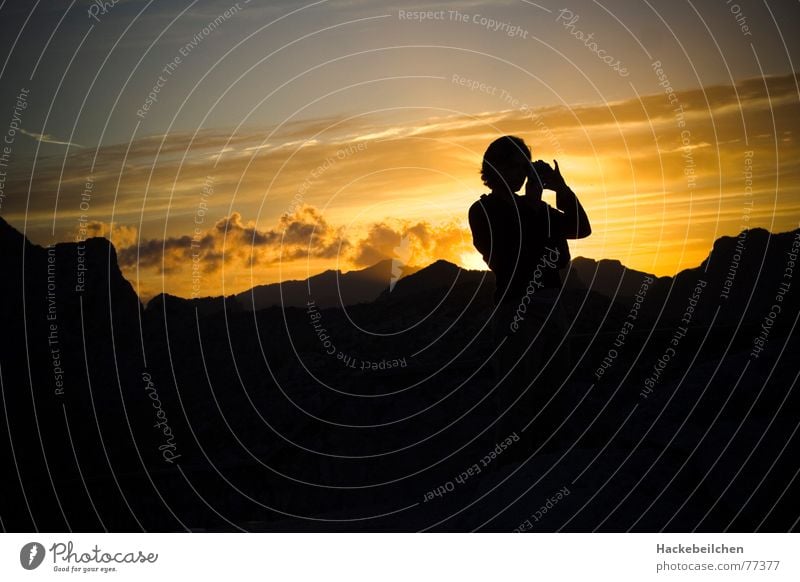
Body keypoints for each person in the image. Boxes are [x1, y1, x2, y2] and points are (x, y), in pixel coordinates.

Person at [468, 136, 591, 437]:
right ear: (495, 170)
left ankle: (549, 451)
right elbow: (505, 260)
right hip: (517, 308)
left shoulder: (536, 208)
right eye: (516, 166)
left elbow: (580, 228)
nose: (522, 175)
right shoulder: (483, 211)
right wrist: (534, 205)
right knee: (518, 391)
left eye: (524, 167)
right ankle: (517, 458)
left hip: (550, 303)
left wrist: (561, 189)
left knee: (555, 386)